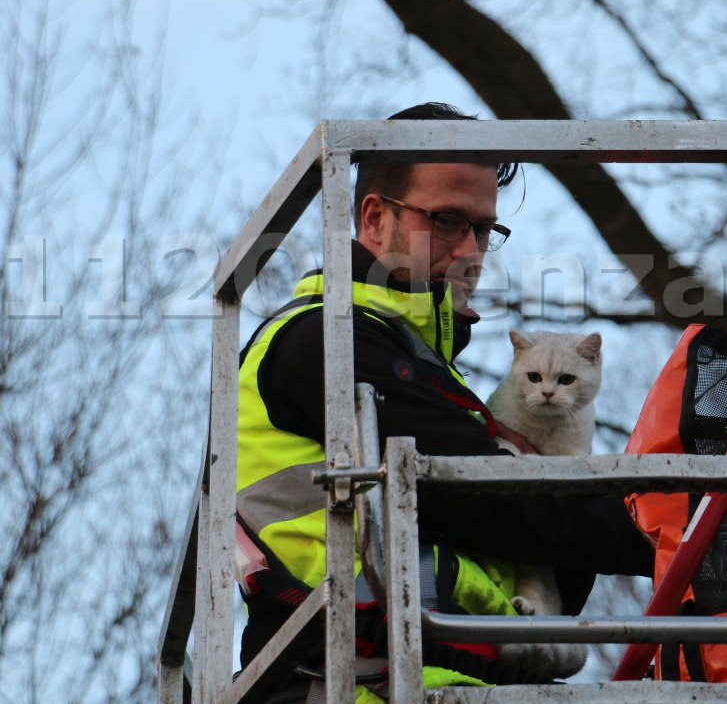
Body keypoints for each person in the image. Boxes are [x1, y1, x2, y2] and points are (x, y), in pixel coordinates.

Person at [236, 103, 653, 698]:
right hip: (351, 682)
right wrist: (666, 528)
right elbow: (489, 501)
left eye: (484, 229)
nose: (472, 251)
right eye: (450, 222)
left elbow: (535, 541)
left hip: (454, 676)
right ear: (375, 218)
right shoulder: (326, 339)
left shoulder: (432, 373)